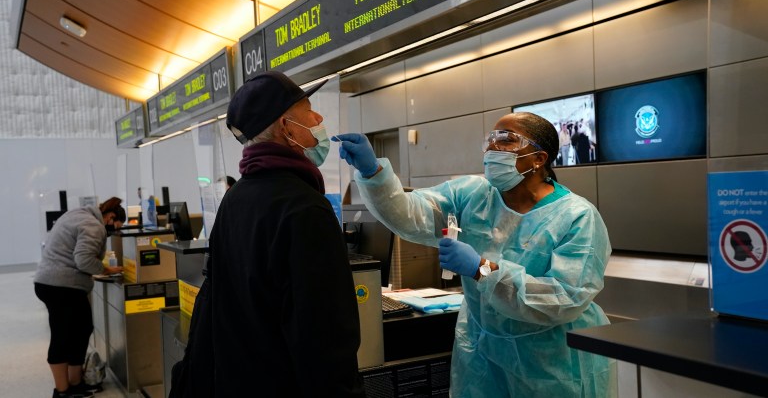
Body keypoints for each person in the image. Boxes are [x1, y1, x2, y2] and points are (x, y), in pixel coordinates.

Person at [334, 112, 616, 397]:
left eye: (506, 140)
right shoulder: (473, 194)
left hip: (553, 364)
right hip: (483, 355)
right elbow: (411, 215)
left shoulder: (576, 217)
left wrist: (482, 269)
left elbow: (563, 299)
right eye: (490, 139)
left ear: (538, 159)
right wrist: (373, 173)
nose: (493, 148)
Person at [171, 71, 365, 397]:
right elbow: (324, 338)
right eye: (309, 109)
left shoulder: (235, 199)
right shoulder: (305, 209)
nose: (318, 118)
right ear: (286, 127)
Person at [34, 197, 125, 398]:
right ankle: (62, 391)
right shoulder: (94, 225)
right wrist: (105, 269)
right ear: (110, 217)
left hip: (53, 283)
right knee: (63, 336)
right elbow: (83, 260)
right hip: (61, 285)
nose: (112, 232)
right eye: (115, 227)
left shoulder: (77, 214)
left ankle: (75, 383)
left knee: (81, 330)